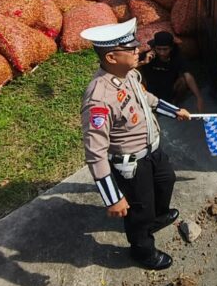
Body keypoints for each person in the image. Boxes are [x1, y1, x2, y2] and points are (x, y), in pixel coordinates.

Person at [80, 18, 190, 271]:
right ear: (111, 57)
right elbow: (95, 153)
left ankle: (158, 217)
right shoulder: (99, 98)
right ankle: (142, 251)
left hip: (152, 150)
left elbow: (147, 98)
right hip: (131, 162)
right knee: (138, 211)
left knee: (166, 181)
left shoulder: (128, 74)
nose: (137, 50)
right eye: (130, 49)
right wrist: (112, 199)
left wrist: (175, 111)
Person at [139, 31, 205, 113]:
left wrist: (199, 98)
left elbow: (188, 75)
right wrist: (143, 63)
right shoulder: (147, 56)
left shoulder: (177, 57)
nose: (162, 53)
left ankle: (174, 103)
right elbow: (130, 67)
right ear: (154, 48)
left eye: (165, 49)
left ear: (171, 48)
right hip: (151, 89)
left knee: (183, 81)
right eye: (158, 49)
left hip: (169, 88)